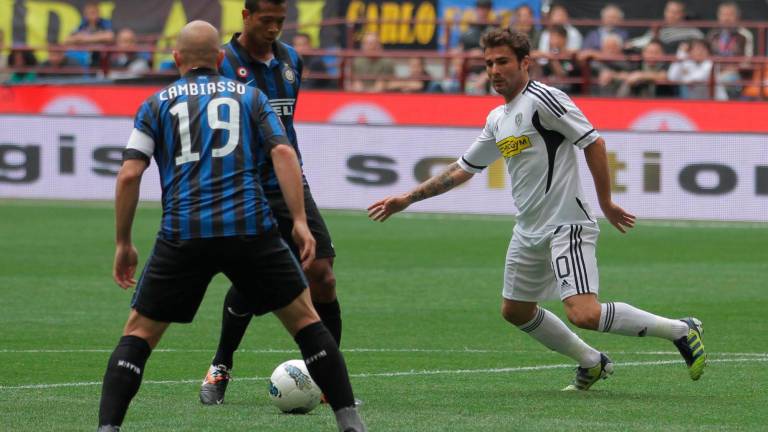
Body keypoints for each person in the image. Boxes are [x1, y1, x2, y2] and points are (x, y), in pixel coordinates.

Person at [368, 28, 707, 392]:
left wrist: (605, 202)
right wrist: (407, 198)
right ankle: (592, 362)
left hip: (567, 223)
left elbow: (593, 142)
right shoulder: (498, 118)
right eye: (488, 63)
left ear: (525, 63)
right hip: (529, 229)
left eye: (502, 62)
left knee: (585, 313)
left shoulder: (545, 99)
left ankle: (680, 329)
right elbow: (462, 168)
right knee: (515, 310)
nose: (494, 70)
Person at [96, 20, 366, 432]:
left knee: (139, 334)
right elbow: (283, 151)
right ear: (220, 59)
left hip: (184, 232)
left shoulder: (155, 104)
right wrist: (298, 221)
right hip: (249, 227)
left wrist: (122, 242)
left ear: (176, 59)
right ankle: (351, 424)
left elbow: (130, 174)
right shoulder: (251, 97)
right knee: (306, 322)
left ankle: (107, 429)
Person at [202, 0, 349, 405]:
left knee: (323, 273)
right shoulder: (223, 64)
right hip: (244, 184)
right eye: (266, 20)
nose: (274, 29)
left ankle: (327, 381)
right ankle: (220, 366)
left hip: (289, 182)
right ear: (246, 17)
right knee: (253, 280)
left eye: (280, 22)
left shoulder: (290, 62)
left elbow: (285, 125)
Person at [626, 0, 703, 55]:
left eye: (676, 12)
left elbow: (701, 45)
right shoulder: (660, 28)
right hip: (659, 63)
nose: (671, 15)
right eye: (669, 11)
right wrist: (632, 43)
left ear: (682, 14)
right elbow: (645, 40)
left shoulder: (692, 32)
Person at [66, 1, 115, 67]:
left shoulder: (105, 23)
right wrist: (98, 37)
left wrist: (84, 38)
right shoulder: (82, 24)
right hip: (84, 55)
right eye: (90, 13)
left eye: (95, 12)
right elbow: (67, 39)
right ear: (85, 14)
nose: (93, 15)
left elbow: (109, 37)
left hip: (99, 56)